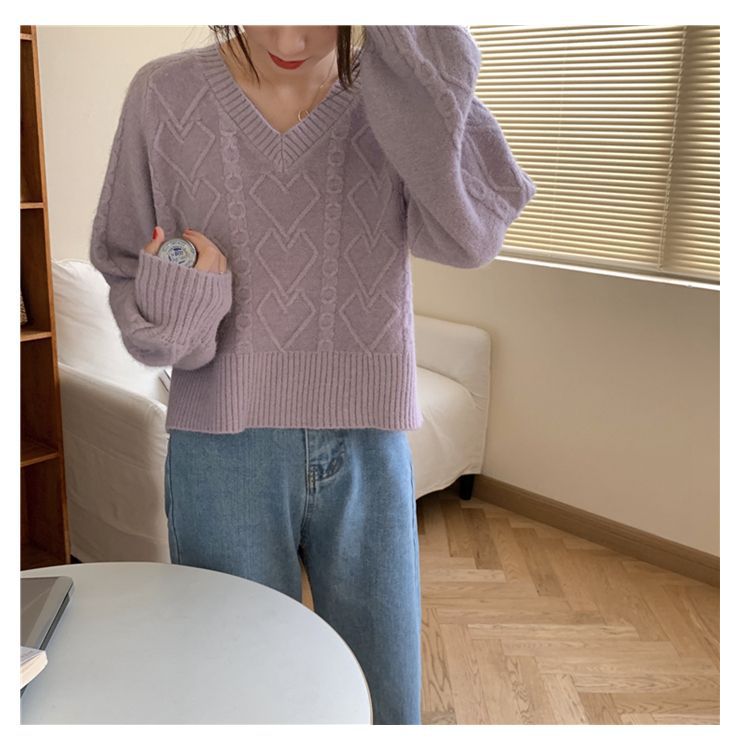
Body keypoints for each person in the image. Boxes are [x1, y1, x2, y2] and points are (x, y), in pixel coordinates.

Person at [89, 24, 536, 725]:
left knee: (383, 702)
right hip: (221, 447)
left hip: (369, 442)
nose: (291, 37)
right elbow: (123, 263)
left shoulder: (397, 91)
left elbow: (472, 235)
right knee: (240, 699)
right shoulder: (163, 94)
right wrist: (182, 307)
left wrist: (412, 47)